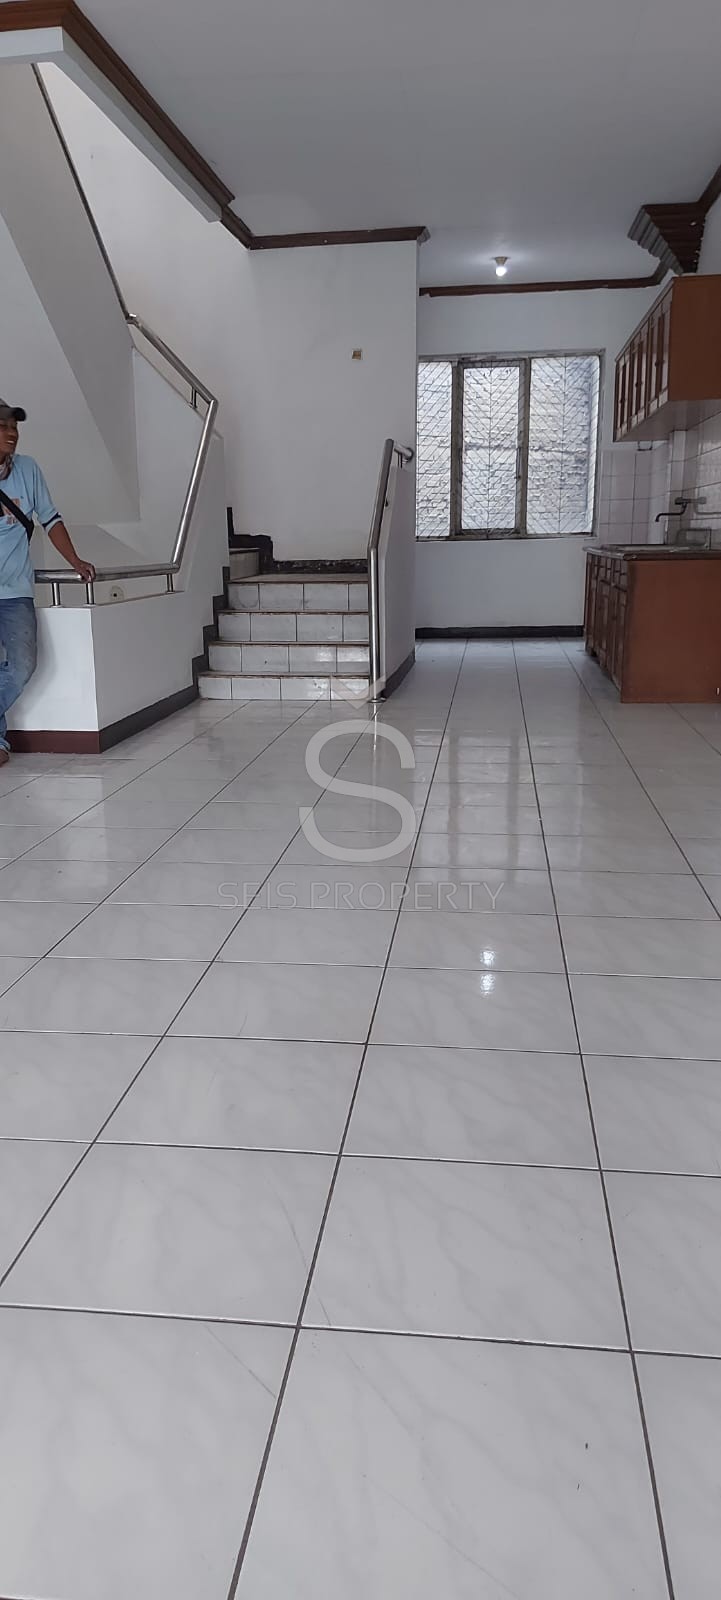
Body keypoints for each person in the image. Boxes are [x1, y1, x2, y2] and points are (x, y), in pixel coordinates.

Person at [0, 399, 95, 766]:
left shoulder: (28, 469)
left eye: (15, 427)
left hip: (15, 592)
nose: (12, 434)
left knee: (22, 665)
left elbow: (50, 519)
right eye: (4, 427)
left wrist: (75, 561)